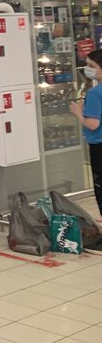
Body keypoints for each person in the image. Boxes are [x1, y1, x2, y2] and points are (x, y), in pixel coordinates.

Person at [70, 49, 102, 217]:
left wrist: (78, 112)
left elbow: (93, 124)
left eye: (92, 66)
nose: (87, 69)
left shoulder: (95, 93)